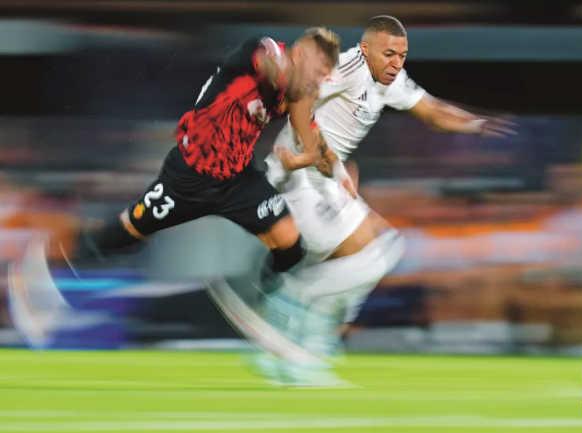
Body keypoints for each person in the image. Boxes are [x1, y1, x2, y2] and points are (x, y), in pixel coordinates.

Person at [8, 28, 341, 352]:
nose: (319, 80)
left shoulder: (297, 96)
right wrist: (297, 89)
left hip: (237, 180)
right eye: (318, 71)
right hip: (190, 176)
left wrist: (334, 170)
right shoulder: (264, 51)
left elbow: (310, 138)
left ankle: (259, 308)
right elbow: (269, 66)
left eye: (324, 76)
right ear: (300, 54)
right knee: (125, 236)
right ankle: (40, 260)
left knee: (290, 245)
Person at [256, 15, 515, 385]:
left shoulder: (390, 82)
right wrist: (319, 155)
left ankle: (295, 352)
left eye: (402, 55)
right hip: (297, 178)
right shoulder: (347, 67)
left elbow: (433, 110)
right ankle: (293, 303)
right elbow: (300, 96)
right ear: (365, 49)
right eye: (388, 54)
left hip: (324, 182)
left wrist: (476, 123)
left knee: (372, 258)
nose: (396, 63)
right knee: (377, 253)